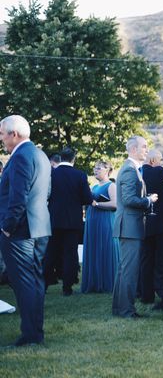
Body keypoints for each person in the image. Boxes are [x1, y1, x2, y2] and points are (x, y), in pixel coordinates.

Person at [0, 115, 51, 346]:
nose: (1, 138)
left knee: (25, 283)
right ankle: (34, 332)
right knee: (35, 282)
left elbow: (18, 197)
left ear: (14, 134)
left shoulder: (20, 156)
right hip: (39, 226)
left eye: (2, 133)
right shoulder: (39, 154)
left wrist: (7, 227)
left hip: (21, 231)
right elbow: (45, 193)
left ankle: (31, 335)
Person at [112, 136, 158, 319]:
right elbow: (129, 199)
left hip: (130, 226)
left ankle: (119, 308)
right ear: (132, 149)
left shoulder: (132, 169)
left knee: (124, 270)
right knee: (129, 272)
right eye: (144, 147)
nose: (147, 150)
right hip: (130, 226)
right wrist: (149, 200)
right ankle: (126, 311)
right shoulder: (130, 170)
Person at [44, 146, 93, 296]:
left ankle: (44, 284)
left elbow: (46, 194)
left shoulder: (52, 174)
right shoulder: (79, 175)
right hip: (72, 221)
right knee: (70, 254)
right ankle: (67, 287)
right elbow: (87, 198)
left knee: (50, 252)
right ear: (74, 158)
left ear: (60, 158)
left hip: (53, 219)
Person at [81, 160, 119, 293]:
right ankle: (95, 282)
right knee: (95, 248)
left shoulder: (111, 186)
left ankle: (107, 283)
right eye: (95, 168)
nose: (95, 170)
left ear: (108, 170)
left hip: (105, 221)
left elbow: (115, 204)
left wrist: (97, 204)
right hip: (93, 220)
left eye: (99, 168)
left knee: (105, 248)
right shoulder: (94, 187)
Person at [140, 150, 163, 309]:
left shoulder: (139, 172)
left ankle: (146, 295)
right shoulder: (159, 172)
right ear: (153, 160)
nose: (162, 162)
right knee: (161, 261)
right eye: (160, 159)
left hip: (144, 223)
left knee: (146, 260)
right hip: (161, 223)